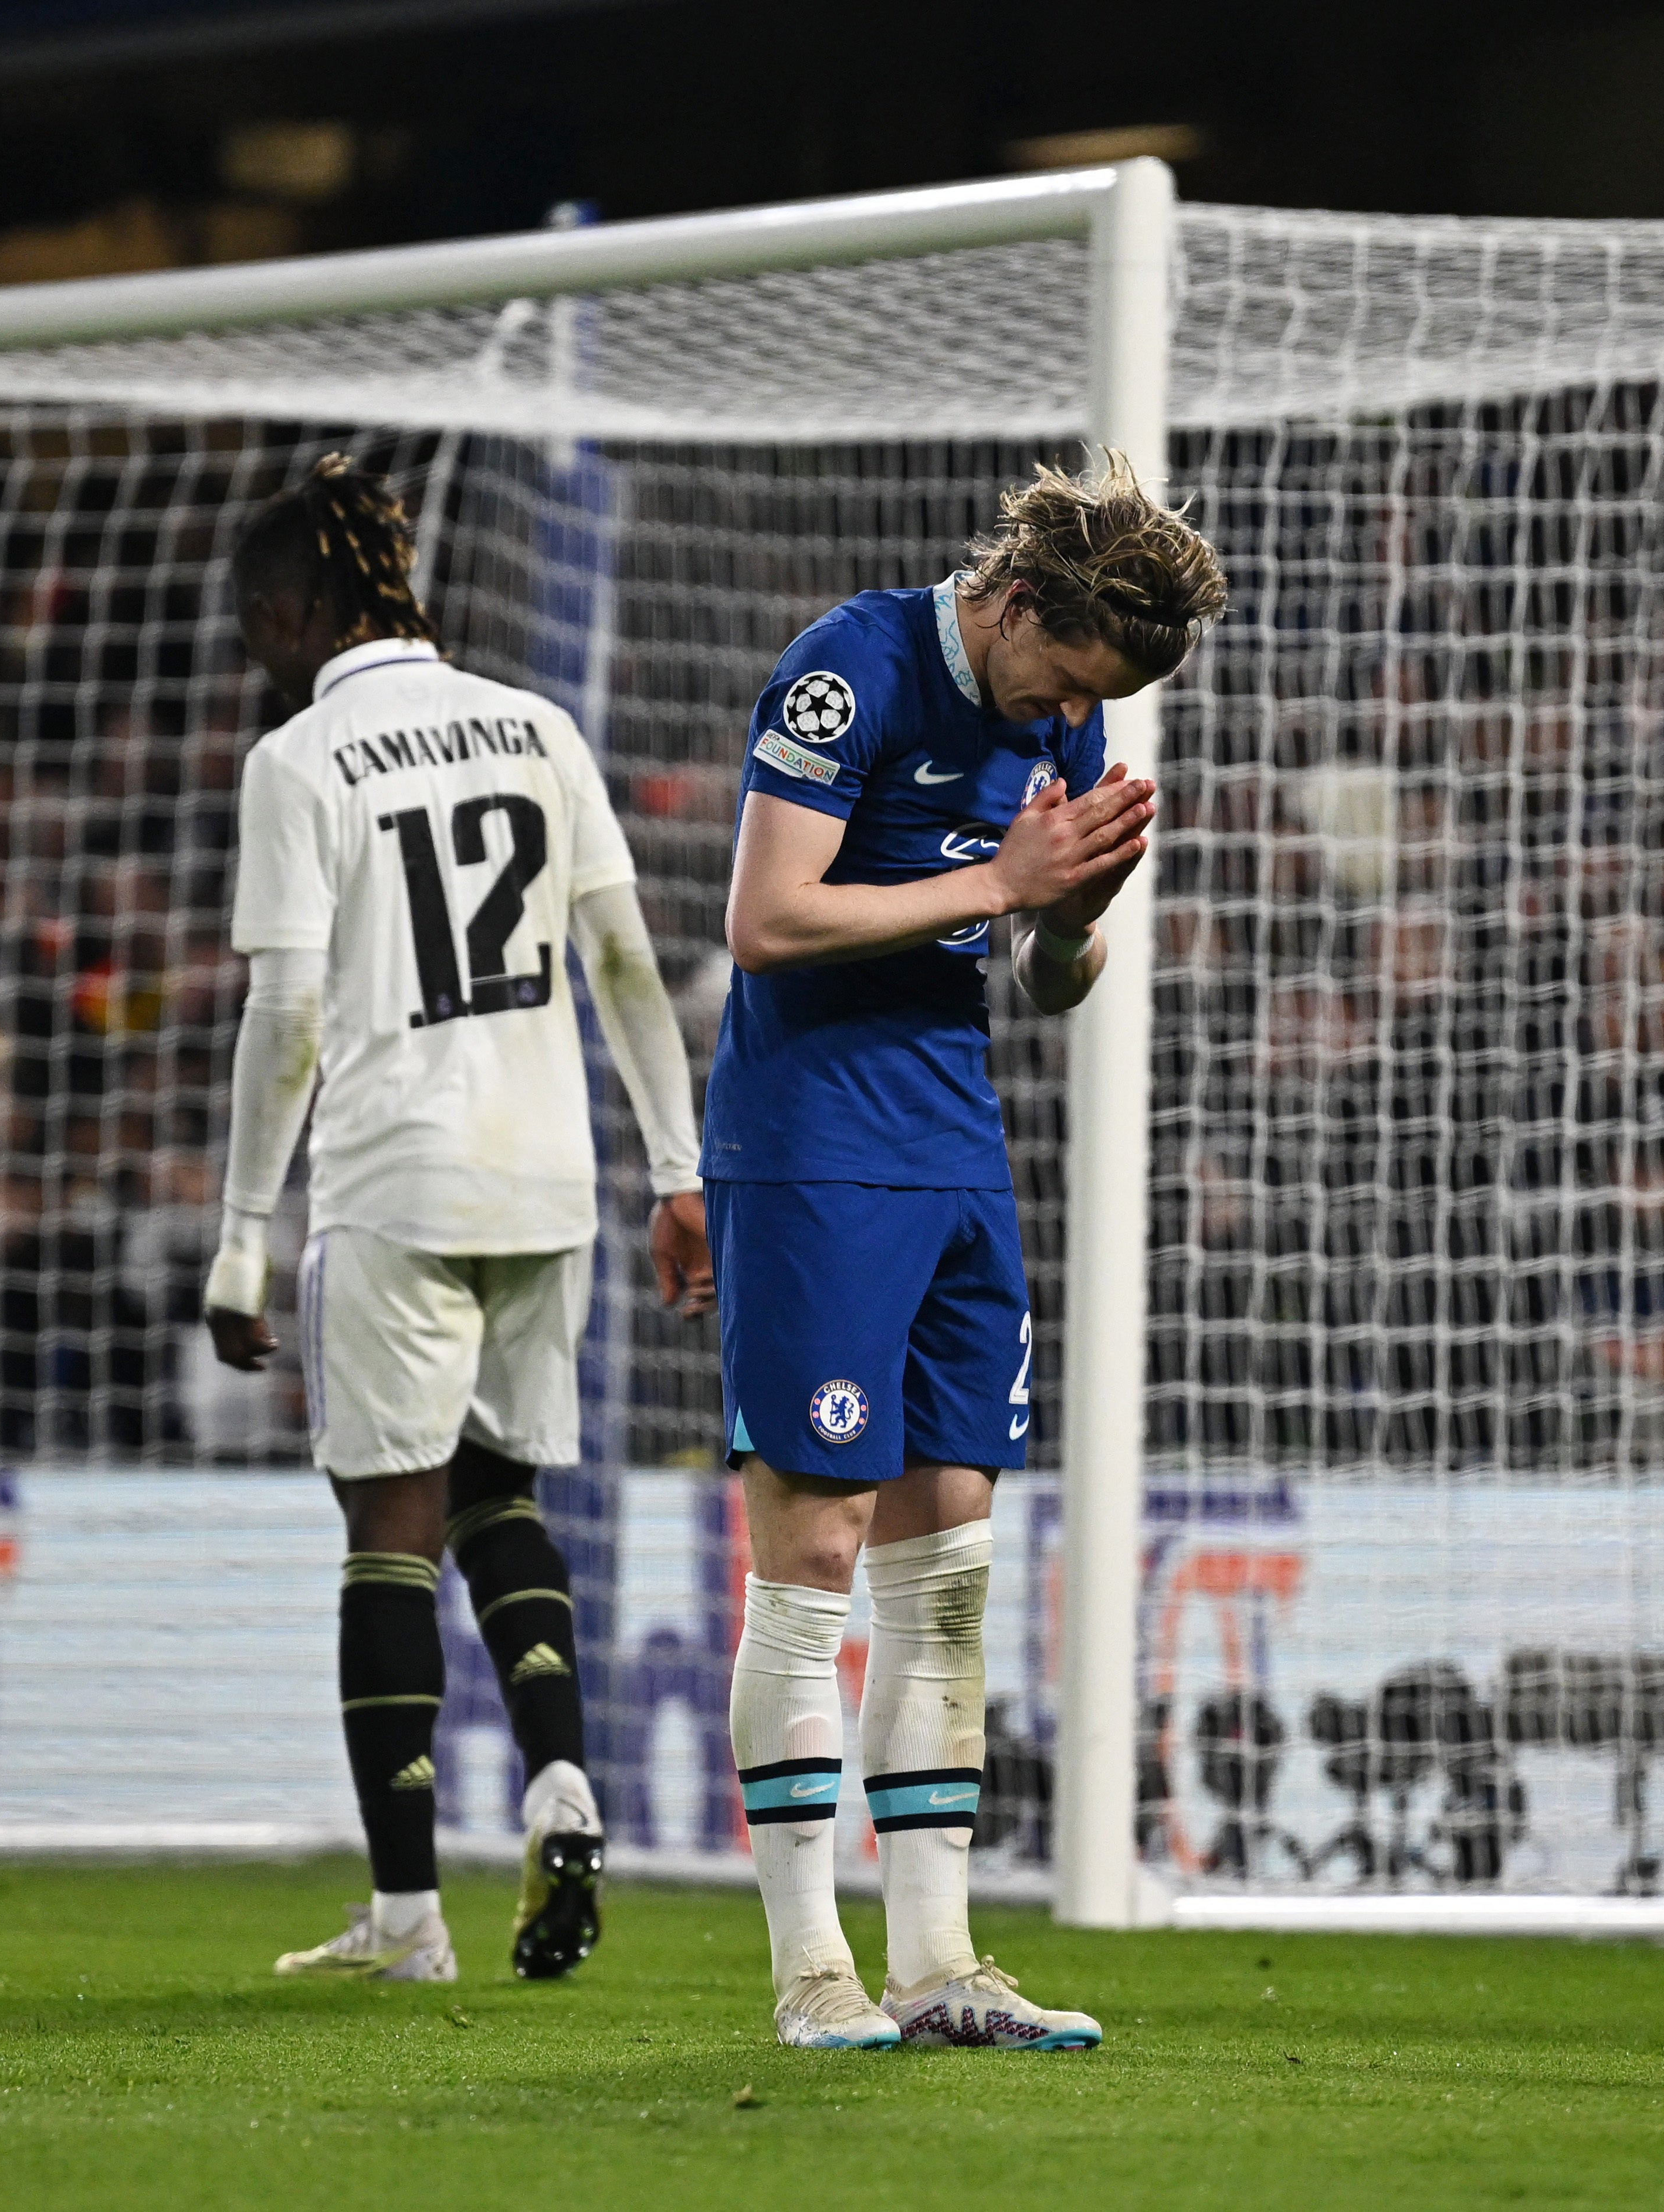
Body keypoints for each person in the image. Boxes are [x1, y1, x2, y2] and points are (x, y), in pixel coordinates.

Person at [704, 453, 1226, 2050]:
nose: (1062, 716)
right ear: (1010, 607)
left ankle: (937, 1962)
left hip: (951, 1141)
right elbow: (765, 917)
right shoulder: (846, 669)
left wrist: (1069, 914)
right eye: (1063, 676)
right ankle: (810, 1975)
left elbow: (1038, 975)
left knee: (946, 1569)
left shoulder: (1059, 718)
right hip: (812, 1139)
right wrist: (1000, 874)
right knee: (813, 1555)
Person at [200, 456, 710, 1984]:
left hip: (396, 1172)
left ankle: (410, 1916)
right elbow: (625, 964)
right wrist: (674, 1170)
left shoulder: (300, 762)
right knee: (503, 1497)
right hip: (547, 1173)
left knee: (392, 1530)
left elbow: (288, 1012)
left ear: (296, 611)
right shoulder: (538, 725)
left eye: (252, 625)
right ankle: (560, 1777)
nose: (251, 654)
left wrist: (244, 1225)